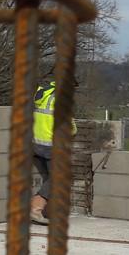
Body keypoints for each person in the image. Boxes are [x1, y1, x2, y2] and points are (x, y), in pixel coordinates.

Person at [30, 73, 75, 224]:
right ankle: (35, 208)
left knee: (50, 178)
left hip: (36, 144)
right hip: (50, 146)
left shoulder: (43, 93)